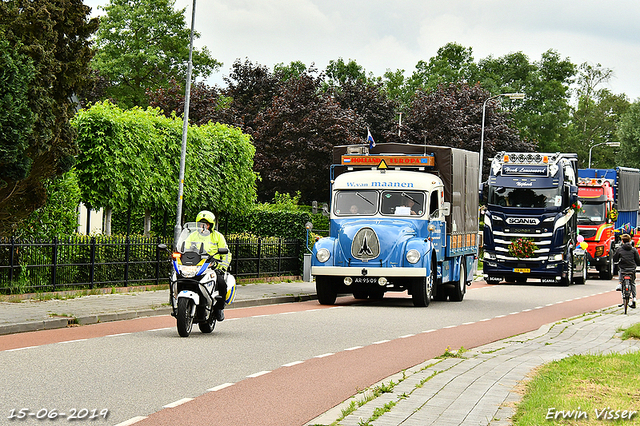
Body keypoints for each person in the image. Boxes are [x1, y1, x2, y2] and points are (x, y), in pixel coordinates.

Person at [187, 210, 232, 321]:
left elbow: (226, 254)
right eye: (200, 223)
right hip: (195, 267)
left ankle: (219, 308)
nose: (202, 226)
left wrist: (222, 268)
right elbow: (184, 248)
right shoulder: (192, 236)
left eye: (205, 224)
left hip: (212, 267)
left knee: (221, 283)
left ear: (210, 225)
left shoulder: (217, 237)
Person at [613, 233, 640, 309]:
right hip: (632, 269)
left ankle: (620, 284)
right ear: (630, 240)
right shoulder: (634, 249)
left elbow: (615, 259)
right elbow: (638, 260)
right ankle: (634, 299)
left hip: (623, 268)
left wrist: (616, 261)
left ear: (622, 241)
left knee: (620, 271)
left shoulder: (619, 249)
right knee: (633, 283)